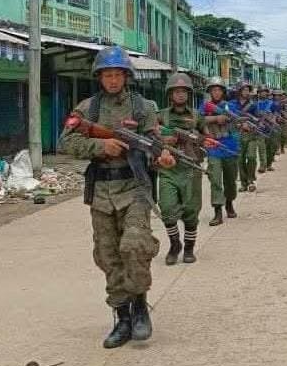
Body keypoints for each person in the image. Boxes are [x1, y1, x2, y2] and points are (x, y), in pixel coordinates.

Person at [58, 46, 173, 349]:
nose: (112, 80)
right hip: (101, 191)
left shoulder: (143, 107)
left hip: (134, 186)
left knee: (134, 244)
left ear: (126, 76)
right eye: (107, 75)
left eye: (117, 74)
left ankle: (139, 308)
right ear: (100, 77)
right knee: (108, 256)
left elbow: (155, 141)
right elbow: (65, 143)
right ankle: (121, 318)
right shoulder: (88, 109)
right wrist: (101, 147)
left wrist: (162, 156)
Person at [156, 72, 208, 265]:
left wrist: (196, 137)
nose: (180, 95)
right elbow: (151, 138)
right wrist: (164, 140)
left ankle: (189, 248)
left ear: (189, 94)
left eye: (183, 92)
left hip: (190, 169)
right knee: (167, 208)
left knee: (191, 211)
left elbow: (208, 140)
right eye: (176, 91)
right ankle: (174, 243)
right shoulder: (160, 116)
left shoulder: (197, 116)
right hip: (168, 169)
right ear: (170, 94)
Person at [201, 77, 240, 227]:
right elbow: (198, 120)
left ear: (223, 92)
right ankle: (217, 210)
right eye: (213, 90)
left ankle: (229, 203)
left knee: (230, 180)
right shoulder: (204, 107)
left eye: (219, 90)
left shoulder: (230, 106)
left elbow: (237, 124)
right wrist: (216, 118)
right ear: (210, 92)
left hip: (229, 146)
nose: (216, 93)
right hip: (213, 147)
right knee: (215, 179)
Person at [228, 82, 260, 193]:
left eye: (247, 90)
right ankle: (243, 183)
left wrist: (249, 123)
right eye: (244, 90)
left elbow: (257, 119)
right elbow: (228, 117)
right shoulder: (231, 104)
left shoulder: (253, 104)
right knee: (240, 160)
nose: (246, 92)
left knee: (251, 157)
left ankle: (251, 180)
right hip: (237, 134)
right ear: (239, 91)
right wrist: (240, 124)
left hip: (251, 134)